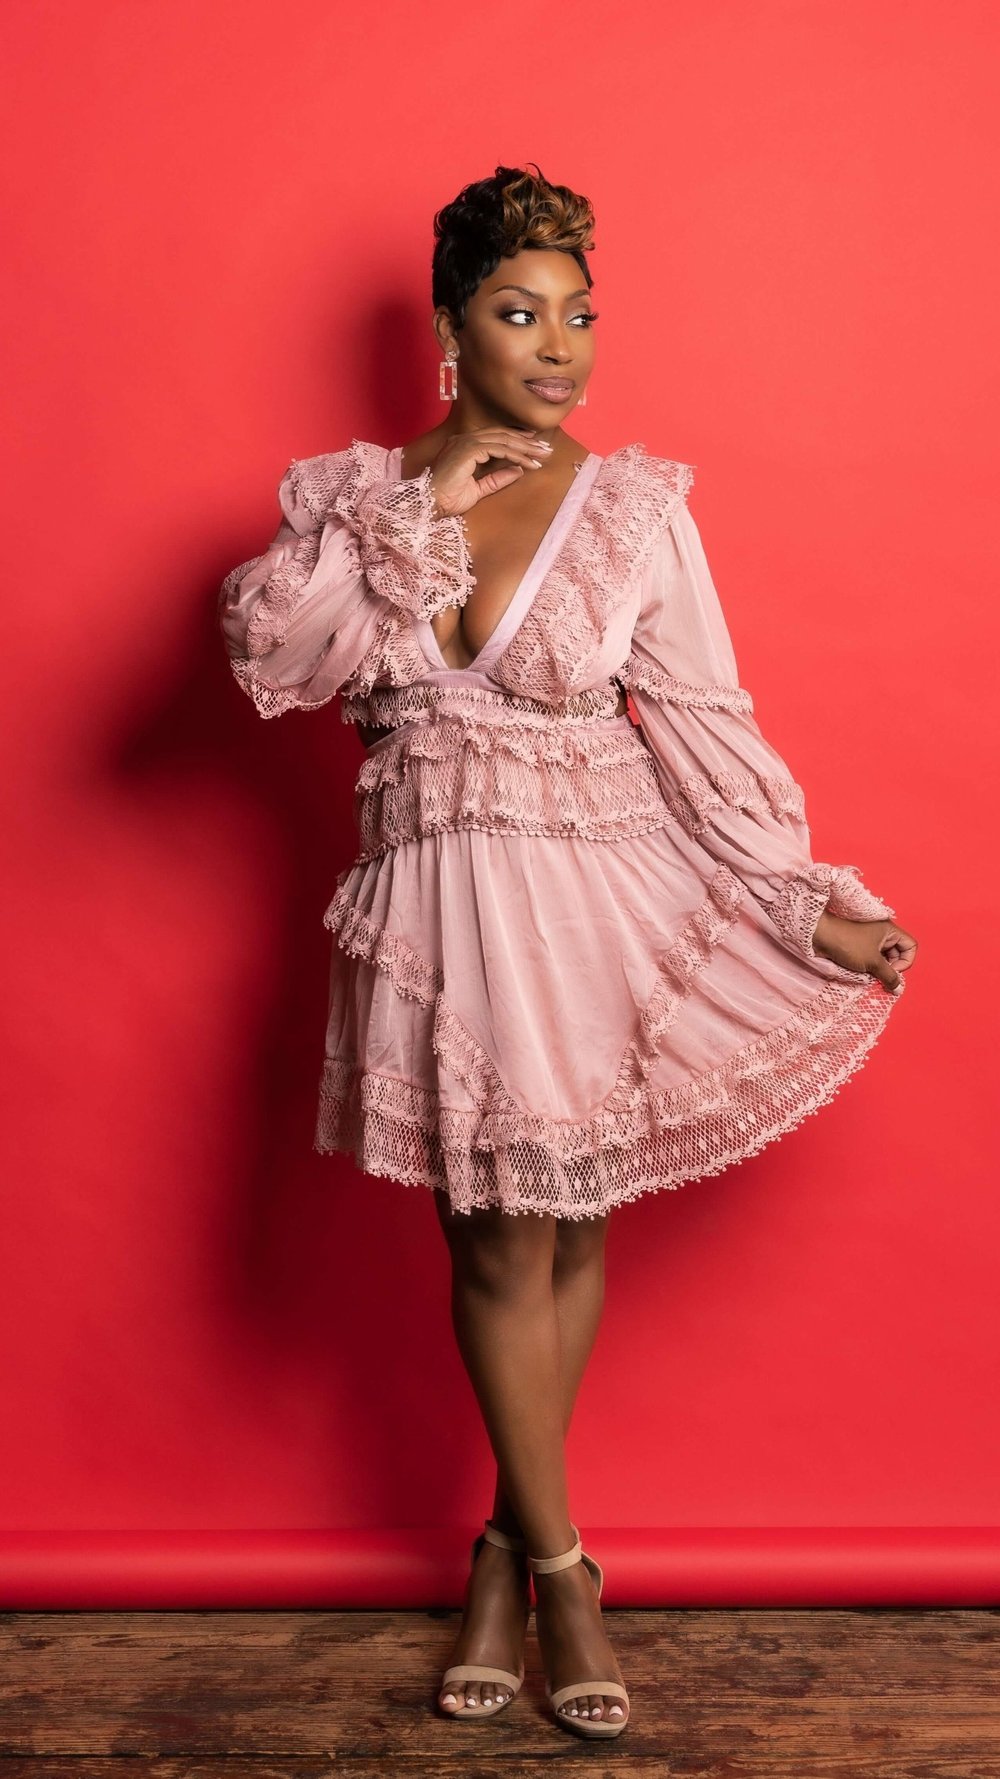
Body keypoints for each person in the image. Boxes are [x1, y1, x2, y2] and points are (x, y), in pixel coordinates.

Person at [218, 162, 917, 1742]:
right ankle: (565, 1573)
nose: (560, 346)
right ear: (451, 331)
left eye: (581, 316)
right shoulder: (354, 497)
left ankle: (501, 1555)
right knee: (491, 1246)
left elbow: (706, 722)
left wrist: (804, 900)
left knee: (569, 1230)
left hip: (607, 898)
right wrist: (418, 515)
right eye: (520, 312)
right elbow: (272, 651)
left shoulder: (635, 510)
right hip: (441, 917)